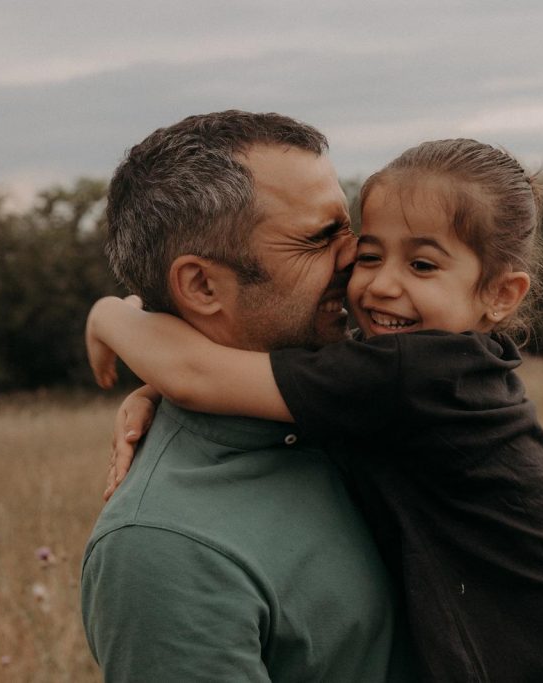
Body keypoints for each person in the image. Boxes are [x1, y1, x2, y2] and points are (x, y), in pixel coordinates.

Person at [88, 139, 543, 681]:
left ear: (501, 295)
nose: (363, 272)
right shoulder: (163, 545)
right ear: (202, 284)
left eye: (421, 263)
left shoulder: (412, 375)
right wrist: (161, 390)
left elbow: (196, 374)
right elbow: (198, 379)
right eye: (338, 243)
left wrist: (110, 317)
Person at [80, 110, 414, 682]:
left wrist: (122, 328)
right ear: (203, 286)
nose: (357, 254)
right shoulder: (166, 549)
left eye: (348, 225)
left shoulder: (377, 398)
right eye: (318, 238)